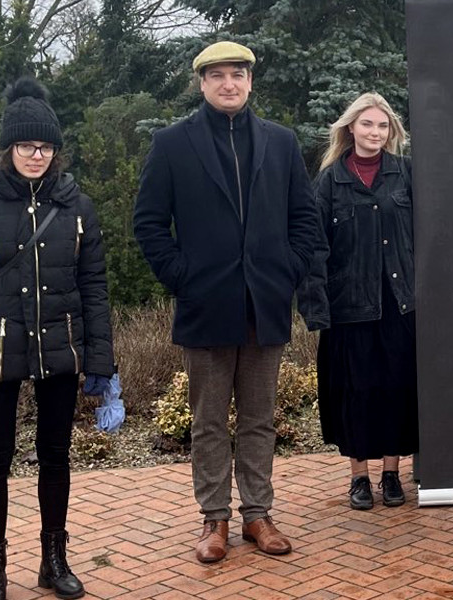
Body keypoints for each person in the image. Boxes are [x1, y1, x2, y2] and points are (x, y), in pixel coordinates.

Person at [133, 41, 324, 564]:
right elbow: (149, 224)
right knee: (209, 421)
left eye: (237, 74)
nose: (228, 84)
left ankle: (258, 515)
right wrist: (183, 278)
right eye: (217, 75)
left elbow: (304, 219)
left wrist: (287, 272)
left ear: (249, 81)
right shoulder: (172, 144)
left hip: (265, 305)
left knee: (260, 419)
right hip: (205, 306)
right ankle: (214, 518)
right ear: (202, 83)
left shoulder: (281, 142)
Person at [0, 77, 114, 600]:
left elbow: (94, 288)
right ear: (8, 148)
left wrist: (100, 360)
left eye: (45, 147)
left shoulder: (77, 207)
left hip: (60, 346)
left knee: (56, 456)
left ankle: (54, 559)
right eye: (26, 145)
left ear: (56, 151)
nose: (36, 155)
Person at [300, 93, 418, 511]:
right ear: (350, 128)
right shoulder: (329, 181)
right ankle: (359, 477)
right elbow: (314, 248)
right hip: (349, 308)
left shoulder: (406, 173)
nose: (375, 132)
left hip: (401, 305)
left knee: (397, 389)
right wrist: (316, 308)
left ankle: (392, 473)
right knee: (356, 394)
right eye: (367, 124)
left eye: (383, 126)